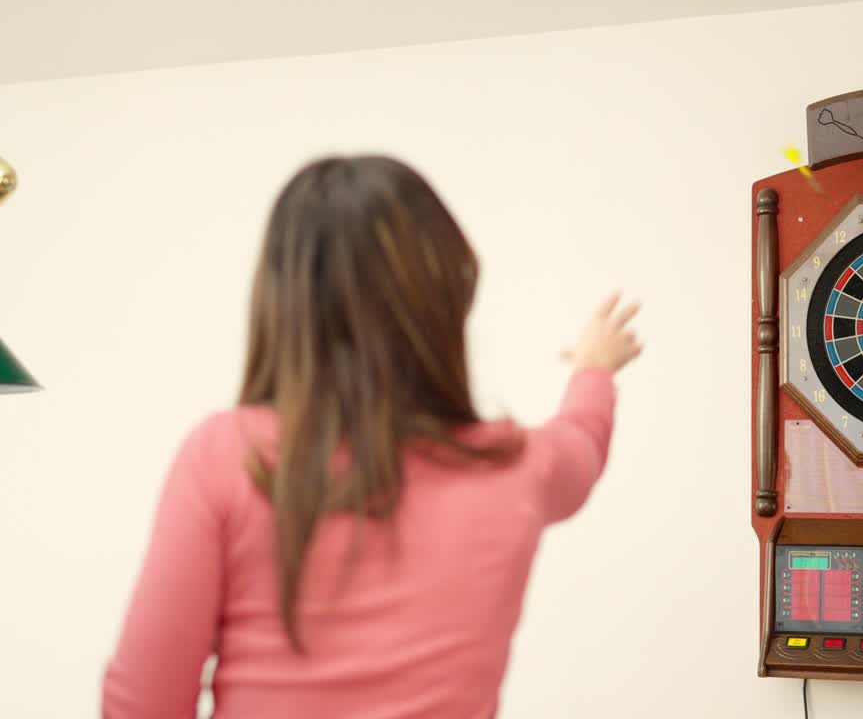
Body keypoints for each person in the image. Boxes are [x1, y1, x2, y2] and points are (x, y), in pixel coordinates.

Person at [101, 155, 642, 718]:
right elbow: (582, 441)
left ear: (283, 301)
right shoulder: (519, 465)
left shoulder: (226, 456)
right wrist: (594, 366)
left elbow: (145, 705)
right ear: (447, 296)